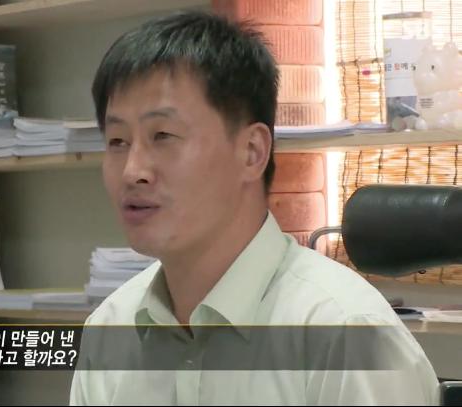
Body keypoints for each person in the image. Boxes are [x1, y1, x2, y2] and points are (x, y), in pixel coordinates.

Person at [69, 10, 439, 406]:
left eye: (163, 135)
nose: (133, 171)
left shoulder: (347, 336)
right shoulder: (109, 330)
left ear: (251, 151)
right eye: (117, 141)